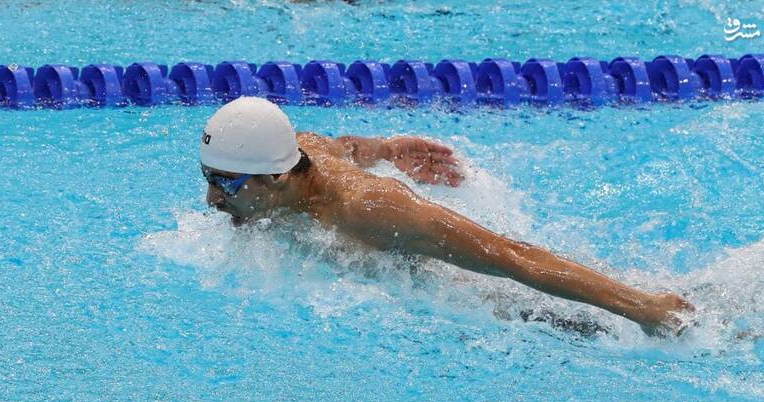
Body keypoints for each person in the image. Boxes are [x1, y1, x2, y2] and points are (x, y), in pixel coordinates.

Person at [200, 97, 693, 336]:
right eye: (209, 178)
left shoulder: (367, 207)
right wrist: (387, 148)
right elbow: (339, 147)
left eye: (225, 184)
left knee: (572, 327)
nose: (211, 200)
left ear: (277, 176)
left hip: (483, 297)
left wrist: (644, 309)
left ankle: (665, 305)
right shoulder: (299, 150)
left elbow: (510, 255)